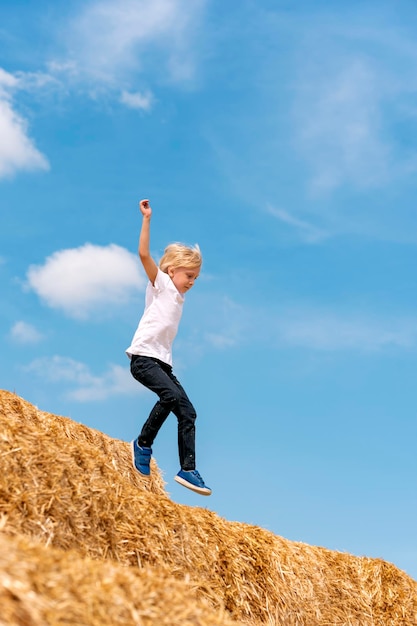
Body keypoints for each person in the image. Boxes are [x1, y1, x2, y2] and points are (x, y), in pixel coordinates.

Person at [126, 199, 211, 496]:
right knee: (170, 396)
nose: (192, 282)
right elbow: (143, 254)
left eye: (196, 279)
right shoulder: (160, 284)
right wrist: (147, 219)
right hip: (143, 358)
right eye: (189, 276)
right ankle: (143, 444)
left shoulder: (179, 298)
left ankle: (188, 468)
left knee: (188, 412)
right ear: (172, 271)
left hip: (162, 363)